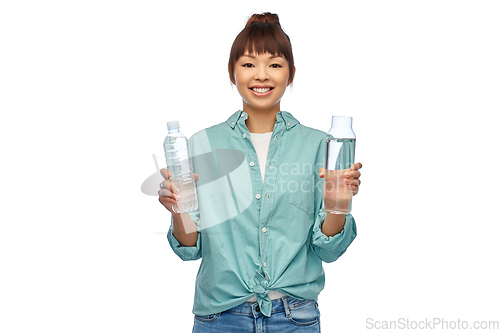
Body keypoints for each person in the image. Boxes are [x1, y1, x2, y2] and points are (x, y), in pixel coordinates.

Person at [159, 12, 362, 332]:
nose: (262, 75)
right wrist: (177, 209)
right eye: (249, 64)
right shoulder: (203, 144)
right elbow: (190, 248)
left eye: (275, 64)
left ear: (291, 73)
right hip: (219, 318)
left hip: (295, 318)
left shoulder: (320, 145)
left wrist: (340, 202)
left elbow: (329, 249)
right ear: (232, 72)